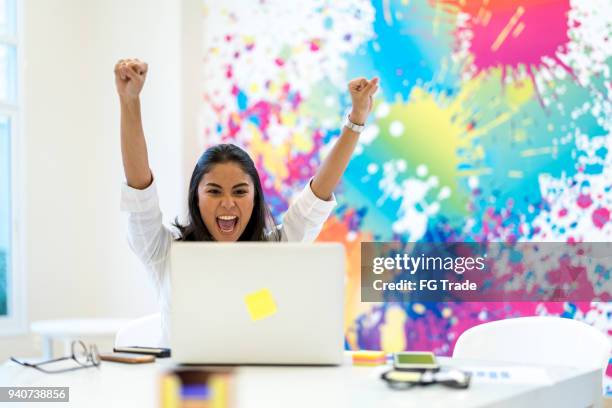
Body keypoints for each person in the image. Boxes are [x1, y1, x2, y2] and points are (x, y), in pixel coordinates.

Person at [114, 58, 379, 345]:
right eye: (214, 191)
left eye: (239, 192)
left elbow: (318, 193)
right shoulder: (164, 252)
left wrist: (356, 119)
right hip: (186, 388)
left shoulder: (277, 249)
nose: (228, 203)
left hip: (261, 386)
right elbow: (140, 192)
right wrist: (130, 101)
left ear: (254, 199)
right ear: (196, 198)